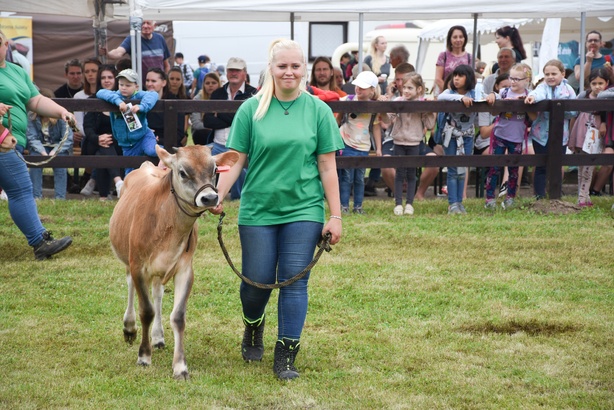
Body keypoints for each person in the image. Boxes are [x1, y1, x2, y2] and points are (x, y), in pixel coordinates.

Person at [210, 38, 343, 381]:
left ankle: (286, 354)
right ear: (270, 68)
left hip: (304, 209)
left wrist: (336, 215)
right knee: (256, 283)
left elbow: (328, 166)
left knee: (294, 281)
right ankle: (253, 325)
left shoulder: (318, 111)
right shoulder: (250, 110)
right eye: (282, 65)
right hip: (258, 210)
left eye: (295, 66)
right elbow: (235, 160)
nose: (289, 71)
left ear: (304, 69)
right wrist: (218, 194)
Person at [0, 28, 73, 260]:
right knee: (20, 189)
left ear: (6, 44)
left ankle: (39, 239)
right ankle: (39, 241)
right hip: (3, 143)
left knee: (19, 189)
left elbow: (35, 100)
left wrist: (61, 111)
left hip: (12, 143)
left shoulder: (16, 71)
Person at [438, 64, 495, 214]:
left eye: (460, 76)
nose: (456, 78)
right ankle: (452, 203)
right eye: (455, 75)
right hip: (451, 136)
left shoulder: (475, 92)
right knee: (452, 170)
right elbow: (441, 97)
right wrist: (460, 98)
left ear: (468, 78)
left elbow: (486, 97)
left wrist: (492, 95)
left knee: (462, 170)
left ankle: (460, 202)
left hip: (468, 136)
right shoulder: (449, 92)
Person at [203, 57, 257, 200]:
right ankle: (206, 195)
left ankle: (238, 198)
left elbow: (250, 121)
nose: (234, 73)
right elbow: (207, 121)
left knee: (242, 165)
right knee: (200, 162)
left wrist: (220, 114)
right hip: (218, 145)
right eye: (231, 70)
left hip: (244, 146)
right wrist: (234, 118)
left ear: (244, 73)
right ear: (226, 73)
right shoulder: (217, 93)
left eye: (237, 70)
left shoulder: (253, 94)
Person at [525, 59, 577, 200]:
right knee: (541, 165)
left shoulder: (568, 90)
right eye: (547, 74)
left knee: (557, 164)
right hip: (540, 135)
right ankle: (539, 195)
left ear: (562, 74)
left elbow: (574, 111)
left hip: (561, 134)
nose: (550, 77)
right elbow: (538, 94)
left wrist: (560, 111)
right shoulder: (542, 87)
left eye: (554, 73)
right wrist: (532, 98)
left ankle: (555, 194)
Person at [484, 64, 533, 210]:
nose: (514, 81)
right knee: (494, 167)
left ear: (527, 80)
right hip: (500, 135)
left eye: (518, 79)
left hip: (517, 138)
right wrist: (493, 96)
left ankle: (510, 197)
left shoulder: (530, 95)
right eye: (512, 78)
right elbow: (493, 111)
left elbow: (534, 116)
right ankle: (490, 198)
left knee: (513, 169)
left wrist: (527, 104)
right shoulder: (504, 92)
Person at [387, 72, 436, 216]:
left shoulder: (421, 104)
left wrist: (429, 111)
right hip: (399, 141)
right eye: (405, 87)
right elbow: (388, 117)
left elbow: (430, 124)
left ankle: (409, 203)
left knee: (411, 173)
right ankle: (398, 203)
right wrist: (387, 102)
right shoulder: (397, 102)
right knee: (399, 173)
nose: (406, 91)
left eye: (410, 88)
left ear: (419, 89)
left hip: (414, 142)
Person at [96, 68, 159, 175]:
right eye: (121, 84)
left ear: (136, 87)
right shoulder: (115, 95)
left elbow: (153, 94)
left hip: (143, 136)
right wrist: (118, 102)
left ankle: (164, 154)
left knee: (151, 151)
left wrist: (142, 106)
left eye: (128, 85)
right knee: (129, 173)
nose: (124, 88)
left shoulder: (138, 95)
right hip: (127, 144)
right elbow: (100, 92)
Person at [337, 71, 383, 214]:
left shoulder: (374, 107)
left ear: (372, 90)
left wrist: (379, 148)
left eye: (363, 87)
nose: (358, 89)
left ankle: (358, 206)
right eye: (357, 86)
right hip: (346, 143)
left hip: (363, 146)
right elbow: (337, 120)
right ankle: (343, 206)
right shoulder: (346, 100)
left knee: (359, 178)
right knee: (346, 177)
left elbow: (376, 127)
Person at [568, 68, 611, 206]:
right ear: (589, 84)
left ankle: (584, 195)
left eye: (600, 83)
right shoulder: (583, 96)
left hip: (596, 132)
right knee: (582, 164)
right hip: (582, 129)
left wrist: (603, 123)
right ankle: (582, 196)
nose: (597, 86)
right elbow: (574, 115)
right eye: (594, 83)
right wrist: (571, 136)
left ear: (607, 83)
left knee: (589, 165)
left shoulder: (607, 97)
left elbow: (606, 114)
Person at [83, 64, 124, 201]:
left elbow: (127, 127)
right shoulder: (93, 100)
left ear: (116, 79)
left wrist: (110, 138)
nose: (106, 80)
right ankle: (118, 182)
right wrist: (98, 138)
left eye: (110, 77)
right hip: (94, 143)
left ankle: (103, 196)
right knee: (103, 147)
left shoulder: (123, 101)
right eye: (103, 78)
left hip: (118, 142)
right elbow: (87, 127)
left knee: (104, 151)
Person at [26, 88, 74, 200]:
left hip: (58, 147)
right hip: (40, 147)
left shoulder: (61, 116)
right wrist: (42, 151)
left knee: (60, 164)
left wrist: (55, 151)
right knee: (35, 160)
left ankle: (60, 197)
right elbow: (31, 137)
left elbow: (67, 138)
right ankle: (36, 196)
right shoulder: (31, 117)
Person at [101, 20, 171, 85]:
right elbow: (118, 52)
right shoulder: (132, 39)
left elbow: (166, 65)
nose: (145, 26)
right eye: (142, 23)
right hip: (141, 86)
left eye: (148, 23)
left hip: (158, 85)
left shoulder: (160, 38)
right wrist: (108, 54)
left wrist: (165, 82)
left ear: (154, 26)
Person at [73, 57, 101, 197]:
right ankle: (92, 178)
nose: (90, 74)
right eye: (87, 71)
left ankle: (91, 178)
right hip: (87, 136)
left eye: (94, 71)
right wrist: (93, 135)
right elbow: (79, 123)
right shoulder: (79, 95)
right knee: (92, 141)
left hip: (105, 136)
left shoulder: (108, 94)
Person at [434, 26, 473, 96]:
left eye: (461, 37)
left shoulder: (469, 57)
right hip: (446, 95)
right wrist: (451, 93)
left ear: (465, 39)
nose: (458, 40)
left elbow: (471, 78)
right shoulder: (443, 55)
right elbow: (438, 79)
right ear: (450, 39)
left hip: (464, 96)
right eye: (455, 37)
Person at [191, 72, 221, 146]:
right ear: (203, 85)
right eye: (207, 83)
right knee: (200, 133)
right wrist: (213, 127)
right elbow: (196, 124)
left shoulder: (225, 98)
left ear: (219, 84)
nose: (210, 85)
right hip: (202, 133)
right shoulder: (197, 99)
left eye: (213, 83)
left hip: (220, 133)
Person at [167, 66, 190, 146]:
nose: (174, 82)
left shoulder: (186, 98)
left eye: (177, 79)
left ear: (181, 81)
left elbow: (186, 119)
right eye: (172, 79)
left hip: (180, 135)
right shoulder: (162, 96)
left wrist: (185, 135)